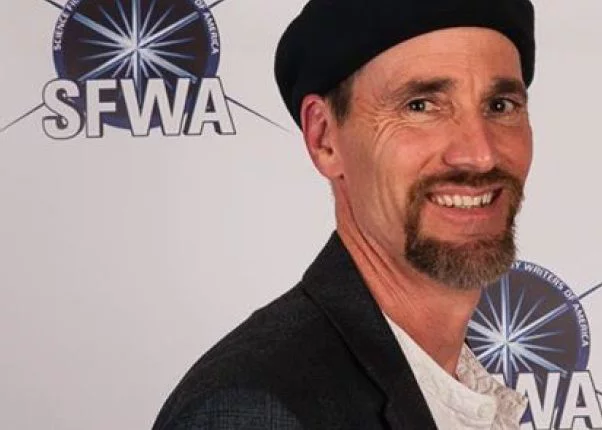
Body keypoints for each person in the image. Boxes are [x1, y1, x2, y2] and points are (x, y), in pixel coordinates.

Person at [152, 0, 535, 428]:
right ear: (324, 138)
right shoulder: (255, 411)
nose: (480, 155)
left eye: (500, 106)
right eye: (421, 106)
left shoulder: (453, 382)